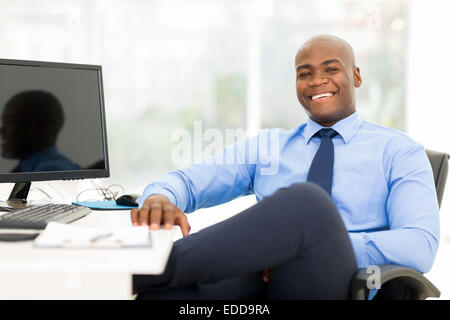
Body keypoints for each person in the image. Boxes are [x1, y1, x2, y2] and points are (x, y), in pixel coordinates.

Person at [131, 34, 440, 300]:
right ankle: (142, 275)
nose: (317, 80)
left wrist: (291, 249)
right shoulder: (268, 146)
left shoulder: (398, 151)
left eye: (331, 69)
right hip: (264, 283)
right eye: (305, 73)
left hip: (346, 286)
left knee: (308, 204)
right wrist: (161, 197)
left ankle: (137, 270)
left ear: (356, 76)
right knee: (160, 296)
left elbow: (419, 245)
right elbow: (188, 182)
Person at [0, 90, 81, 172]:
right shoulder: (32, 167)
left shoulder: (51, 170)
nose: (2, 130)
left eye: (10, 121)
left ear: (43, 128)